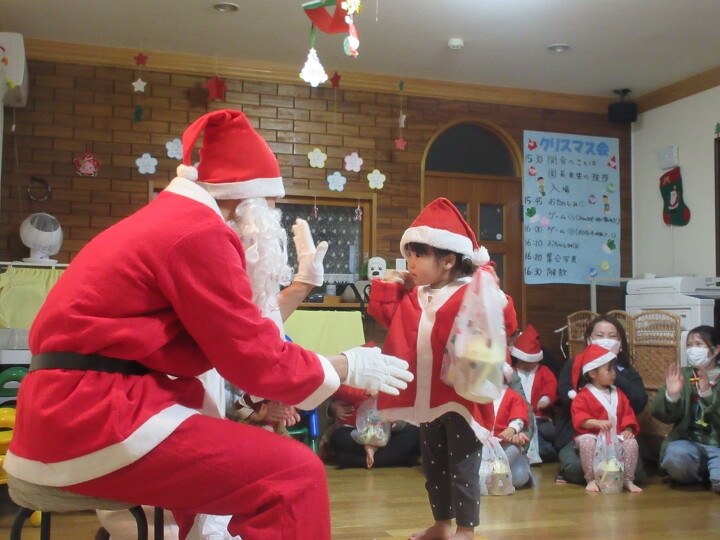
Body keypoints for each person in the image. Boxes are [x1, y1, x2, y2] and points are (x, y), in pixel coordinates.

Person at [4, 109, 414, 540]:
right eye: (271, 204)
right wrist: (346, 365)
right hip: (95, 416)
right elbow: (253, 359)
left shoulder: (170, 221)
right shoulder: (197, 232)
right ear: (246, 202)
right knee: (294, 473)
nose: (273, 218)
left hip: (70, 412)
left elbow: (235, 337)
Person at [367, 197, 505, 540]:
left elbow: (503, 322)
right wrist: (389, 283)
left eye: (418, 255)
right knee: (434, 467)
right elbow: (387, 316)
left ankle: (466, 530)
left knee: (462, 467)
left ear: (447, 259)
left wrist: (490, 288)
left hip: (461, 398)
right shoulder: (415, 296)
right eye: (409, 255)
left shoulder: (470, 293)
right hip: (428, 400)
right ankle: (442, 524)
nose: (410, 263)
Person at [555, 313, 648, 485]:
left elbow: (639, 402)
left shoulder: (625, 371)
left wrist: (610, 372)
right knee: (576, 469)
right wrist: (596, 374)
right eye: (599, 335)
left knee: (635, 472)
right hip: (581, 433)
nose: (606, 340)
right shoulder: (575, 365)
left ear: (620, 343)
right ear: (589, 340)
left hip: (618, 433)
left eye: (612, 336)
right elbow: (567, 401)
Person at [651, 324, 720, 493]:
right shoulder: (683, 375)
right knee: (676, 455)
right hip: (690, 443)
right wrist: (672, 395)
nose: (692, 349)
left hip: (717, 445)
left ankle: (714, 473)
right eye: (689, 345)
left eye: (699, 344)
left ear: (716, 349)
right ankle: (701, 475)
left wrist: (706, 393)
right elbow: (661, 415)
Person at [570, 344, 643, 493]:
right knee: (587, 442)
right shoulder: (583, 395)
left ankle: (627, 480)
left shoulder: (619, 393)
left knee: (631, 443)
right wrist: (595, 422)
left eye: (613, 369)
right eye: (608, 370)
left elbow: (628, 413)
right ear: (592, 373)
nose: (613, 373)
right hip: (593, 435)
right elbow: (579, 417)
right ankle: (590, 479)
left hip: (616, 436)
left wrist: (628, 429)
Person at [322, 385, 421, 469]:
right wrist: (366, 391)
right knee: (338, 437)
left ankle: (358, 461)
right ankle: (397, 458)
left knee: (415, 435)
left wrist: (395, 420)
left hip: (386, 431)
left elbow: (403, 410)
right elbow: (338, 387)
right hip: (356, 431)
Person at [510, 324, 558, 462]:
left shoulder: (544, 372)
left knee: (545, 431)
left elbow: (551, 386)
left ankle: (545, 450)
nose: (528, 365)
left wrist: (545, 399)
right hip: (518, 418)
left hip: (540, 417)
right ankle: (543, 451)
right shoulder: (512, 371)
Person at [490, 383, 534, 489]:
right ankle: (490, 476)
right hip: (484, 444)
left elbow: (519, 417)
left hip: (505, 443)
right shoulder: (478, 393)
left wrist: (512, 429)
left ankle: (495, 473)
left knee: (513, 450)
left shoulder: (512, 395)